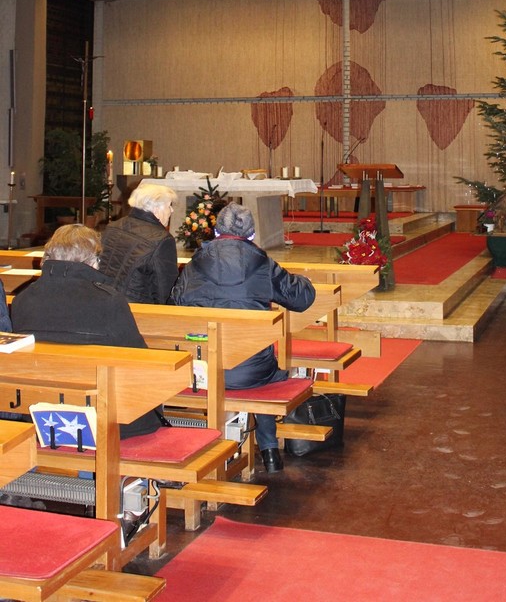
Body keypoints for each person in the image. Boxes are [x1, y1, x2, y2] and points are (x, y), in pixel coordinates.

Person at [171, 202, 315, 473]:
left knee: (255, 363)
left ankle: (208, 449)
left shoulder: (194, 264)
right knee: (267, 370)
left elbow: (175, 303)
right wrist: (304, 281)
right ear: (252, 235)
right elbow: (301, 299)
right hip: (250, 372)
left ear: (215, 232)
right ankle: (270, 452)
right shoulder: (262, 263)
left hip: (201, 372)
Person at [11, 223, 163, 438]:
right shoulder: (109, 301)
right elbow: (139, 359)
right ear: (93, 261)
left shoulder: (23, 299)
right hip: (105, 417)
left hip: (42, 415)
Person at [99, 181, 178, 303]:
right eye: (169, 206)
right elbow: (164, 290)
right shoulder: (162, 240)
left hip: (102, 299)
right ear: (156, 209)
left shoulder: (113, 227)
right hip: (135, 308)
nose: (171, 210)